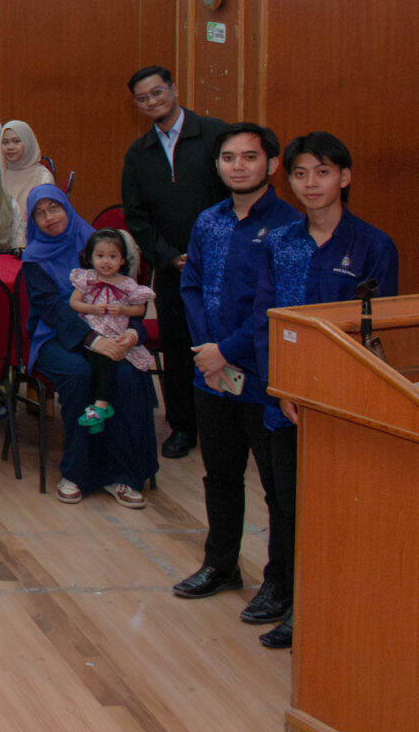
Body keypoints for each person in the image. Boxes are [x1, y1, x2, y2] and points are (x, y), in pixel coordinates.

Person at [253, 132, 400, 651]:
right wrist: (280, 388)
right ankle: (290, 596)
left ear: (345, 176)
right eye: (300, 174)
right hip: (287, 402)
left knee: (337, 512)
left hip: (343, 406)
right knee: (289, 505)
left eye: (322, 172)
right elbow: (265, 320)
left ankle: (324, 610)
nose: (310, 183)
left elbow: (379, 333)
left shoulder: (374, 246)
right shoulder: (280, 242)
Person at [174, 123, 297, 620]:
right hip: (212, 373)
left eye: (249, 157)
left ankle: (280, 583)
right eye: (228, 157)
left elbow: (275, 308)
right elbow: (191, 285)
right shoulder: (209, 220)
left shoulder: (290, 226)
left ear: (272, 164)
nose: (238, 166)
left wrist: (226, 350)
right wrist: (208, 351)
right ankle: (220, 564)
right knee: (220, 474)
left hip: (264, 379)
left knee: (278, 488)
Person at [19, 184, 158, 507]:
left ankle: (122, 474)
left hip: (113, 329)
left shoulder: (100, 244)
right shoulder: (34, 257)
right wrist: (94, 341)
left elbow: (130, 295)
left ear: (67, 207)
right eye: (40, 213)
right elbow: (51, 309)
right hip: (56, 335)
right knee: (80, 374)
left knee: (127, 375)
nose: (49, 217)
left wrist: (133, 335)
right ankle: (77, 472)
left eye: (54, 208)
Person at [119, 64, 228, 459]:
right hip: (171, 269)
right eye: (142, 98)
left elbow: (234, 196)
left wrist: (212, 252)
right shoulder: (139, 153)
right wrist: (167, 256)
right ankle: (183, 425)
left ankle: (229, 421)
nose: (151, 102)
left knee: (223, 341)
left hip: (221, 266)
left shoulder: (215, 135)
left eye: (157, 92)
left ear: (174, 89)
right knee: (179, 348)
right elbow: (137, 216)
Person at [68, 229, 156, 430]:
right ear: (91, 257)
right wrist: (92, 308)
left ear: (122, 260)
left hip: (115, 332)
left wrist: (123, 310)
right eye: (100, 256)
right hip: (92, 332)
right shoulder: (87, 278)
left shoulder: (128, 284)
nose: (106, 261)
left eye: (113, 256)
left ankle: (100, 406)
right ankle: (97, 408)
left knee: (109, 359)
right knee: (91, 364)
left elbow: (140, 309)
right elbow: (74, 303)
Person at [0, 119, 53, 207]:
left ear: (27, 142)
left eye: (16, 141)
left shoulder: (43, 176)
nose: (10, 147)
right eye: (5, 142)